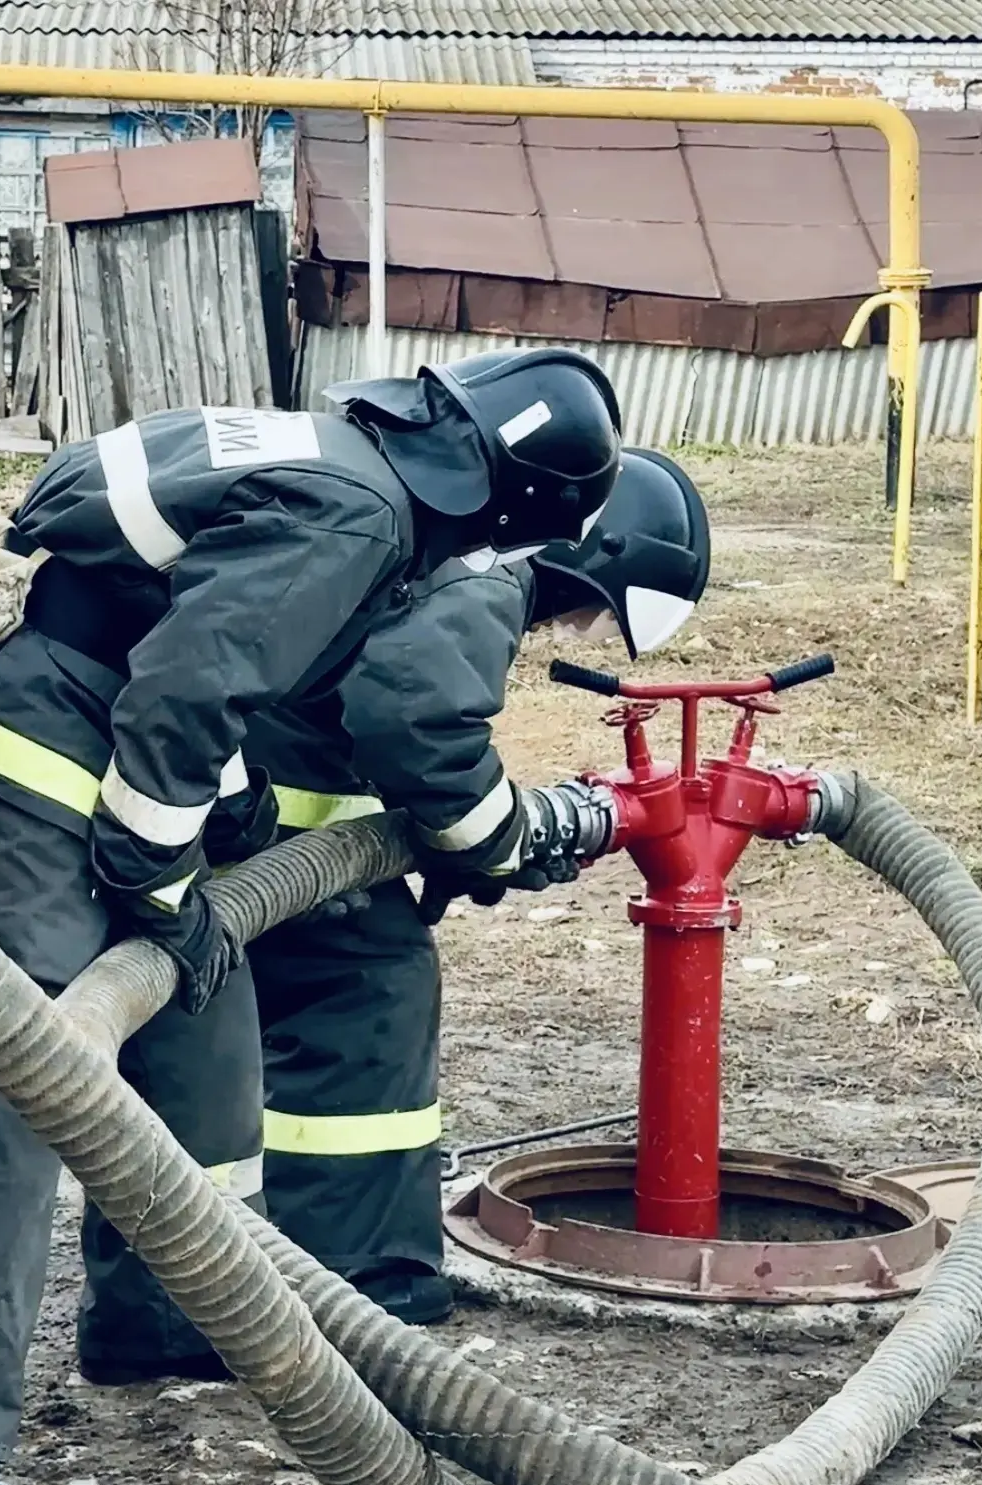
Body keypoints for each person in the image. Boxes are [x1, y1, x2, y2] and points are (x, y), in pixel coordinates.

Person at [0, 347, 622, 1485]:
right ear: (511, 504)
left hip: (93, 708)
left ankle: (160, 1316)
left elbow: (199, 634)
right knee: (24, 1068)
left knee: (205, 1016)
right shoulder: (362, 511)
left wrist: (218, 836)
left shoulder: (352, 473)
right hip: (29, 735)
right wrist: (157, 871)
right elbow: (188, 687)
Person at [243, 446, 711, 1326]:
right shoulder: (492, 575)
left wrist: (460, 841)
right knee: (372, 995)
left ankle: (223, 1277)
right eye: (594, 612)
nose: (574, 632)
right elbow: (413, 717)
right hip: (279, 834)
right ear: (596, 552)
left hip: (223, 805)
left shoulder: (449, 548)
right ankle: (363, 1278)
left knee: (221, 1049)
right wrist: (499, 844)